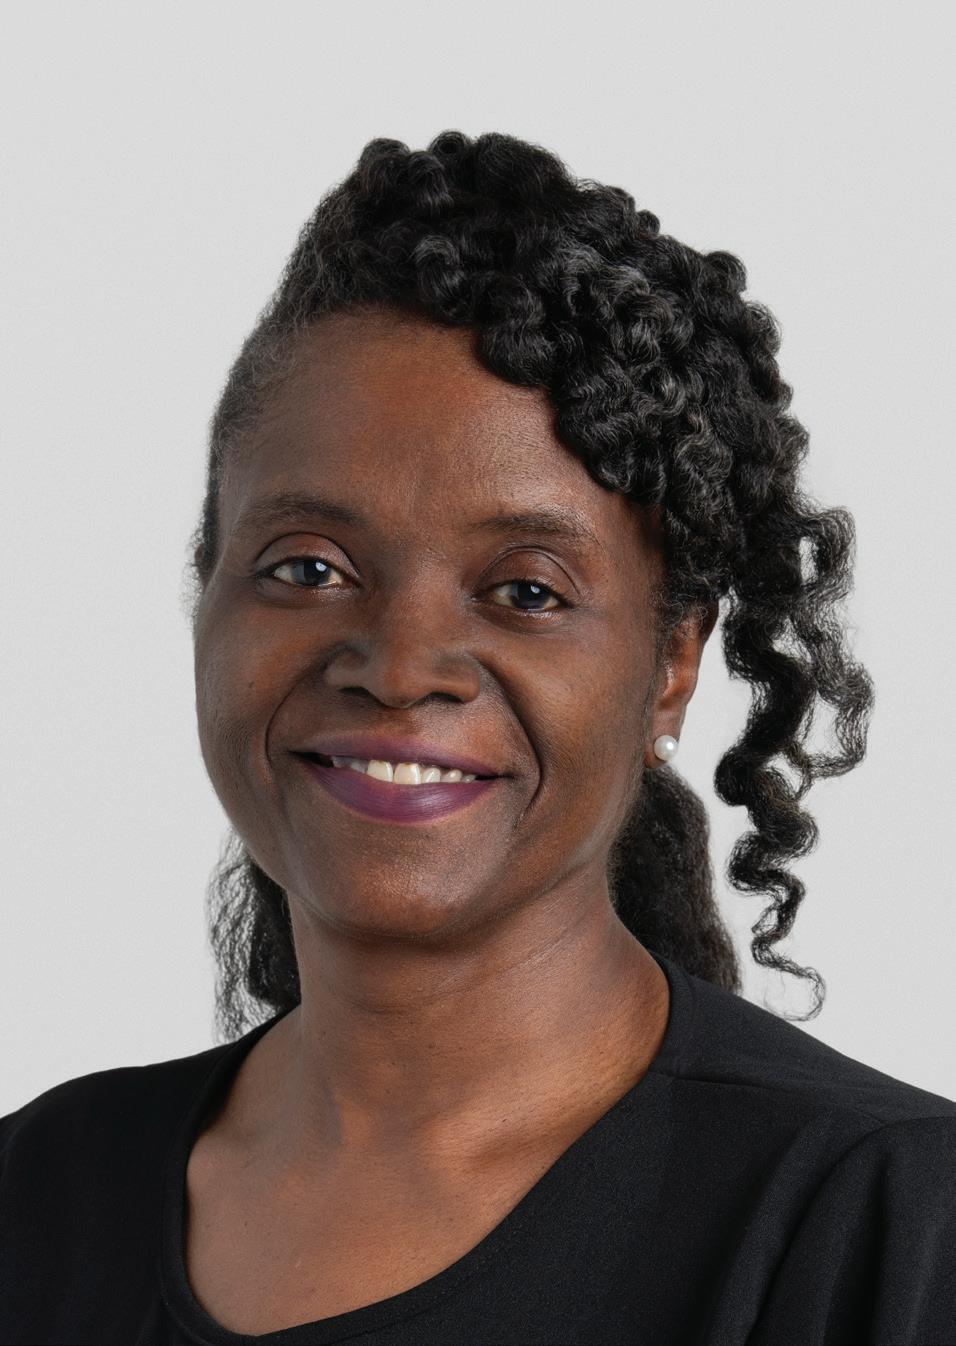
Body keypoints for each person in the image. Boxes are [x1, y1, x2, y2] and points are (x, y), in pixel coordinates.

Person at [1, 130, 954, 1346]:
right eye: (308, 567)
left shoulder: (881, 1220)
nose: (399, 666)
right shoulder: (37, 1195)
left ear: (669, 666)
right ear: (208, 591)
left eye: (525, 590)